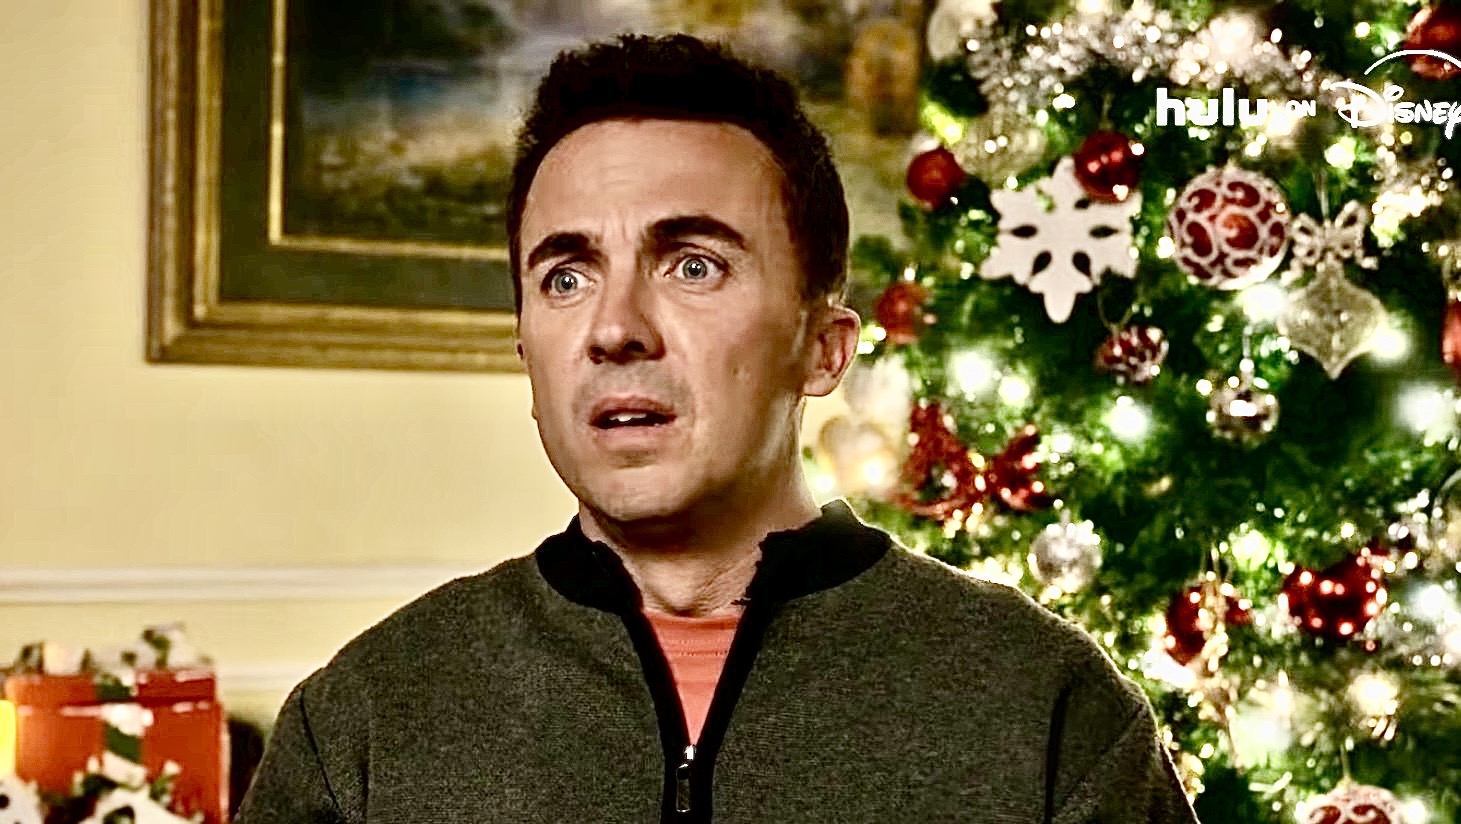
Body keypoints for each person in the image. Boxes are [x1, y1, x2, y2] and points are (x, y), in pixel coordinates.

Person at [237, 34, 1199, 824]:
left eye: (692, 265)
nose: (614, 329)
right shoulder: (365, 719)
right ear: (527, 349)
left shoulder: (1047, 708)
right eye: (565, 277)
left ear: (821, 348)